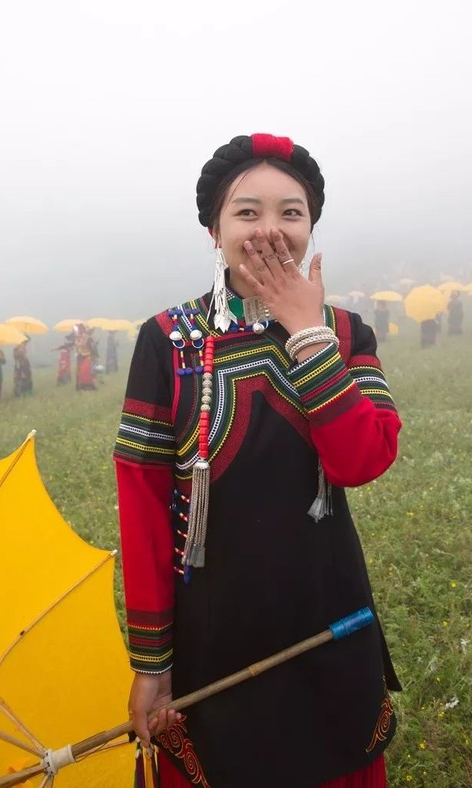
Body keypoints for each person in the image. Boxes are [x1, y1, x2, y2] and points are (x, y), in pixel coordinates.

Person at [114, 134, 402, 788]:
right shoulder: (167, 342)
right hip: (214, 637)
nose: (270, 229)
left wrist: (309, 334)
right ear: (214, 231)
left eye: (290, 212)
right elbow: (143, 506)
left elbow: (363, 460)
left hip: (330, 619)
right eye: (247, 212)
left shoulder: (347, 332)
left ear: (310, 227)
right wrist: (153, 662)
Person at [74, 324, 98, 390]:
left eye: (80, 329)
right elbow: (77, 347)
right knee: (79, 371)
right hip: (80, 356)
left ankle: (89, 386)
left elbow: (82, 344)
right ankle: (80, 386)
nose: (79, 331)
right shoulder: (78, 336)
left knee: (86, 371)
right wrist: (77, 340)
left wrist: (77, 342)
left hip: (87, 355)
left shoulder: (86, 336)